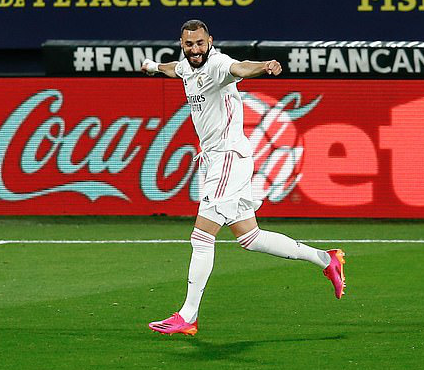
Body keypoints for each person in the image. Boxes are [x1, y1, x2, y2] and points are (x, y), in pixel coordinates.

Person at [141, 19, 346, 336]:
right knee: (251, 238)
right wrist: (154, 66)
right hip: (216, 160)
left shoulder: (218, 65)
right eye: (188, 44)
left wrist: (264, 66)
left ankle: (188, 315)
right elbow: (175, 69)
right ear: (182, 44)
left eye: (199, 43)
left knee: (201, 236)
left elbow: (240, 68)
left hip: (228, 158)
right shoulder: (187, 67)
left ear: (210, 40)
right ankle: (326, 259)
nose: (194, 49)